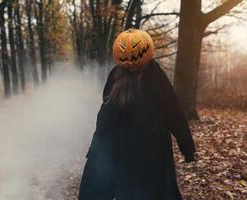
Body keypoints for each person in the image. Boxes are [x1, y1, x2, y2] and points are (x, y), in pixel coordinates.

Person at [78, 29, 196, 200]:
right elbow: (106, 119)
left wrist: (187, 146)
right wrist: (97, 152)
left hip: (147, 151)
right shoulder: (122, 76)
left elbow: (173, 110)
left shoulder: (151, 75)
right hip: (137, 151)